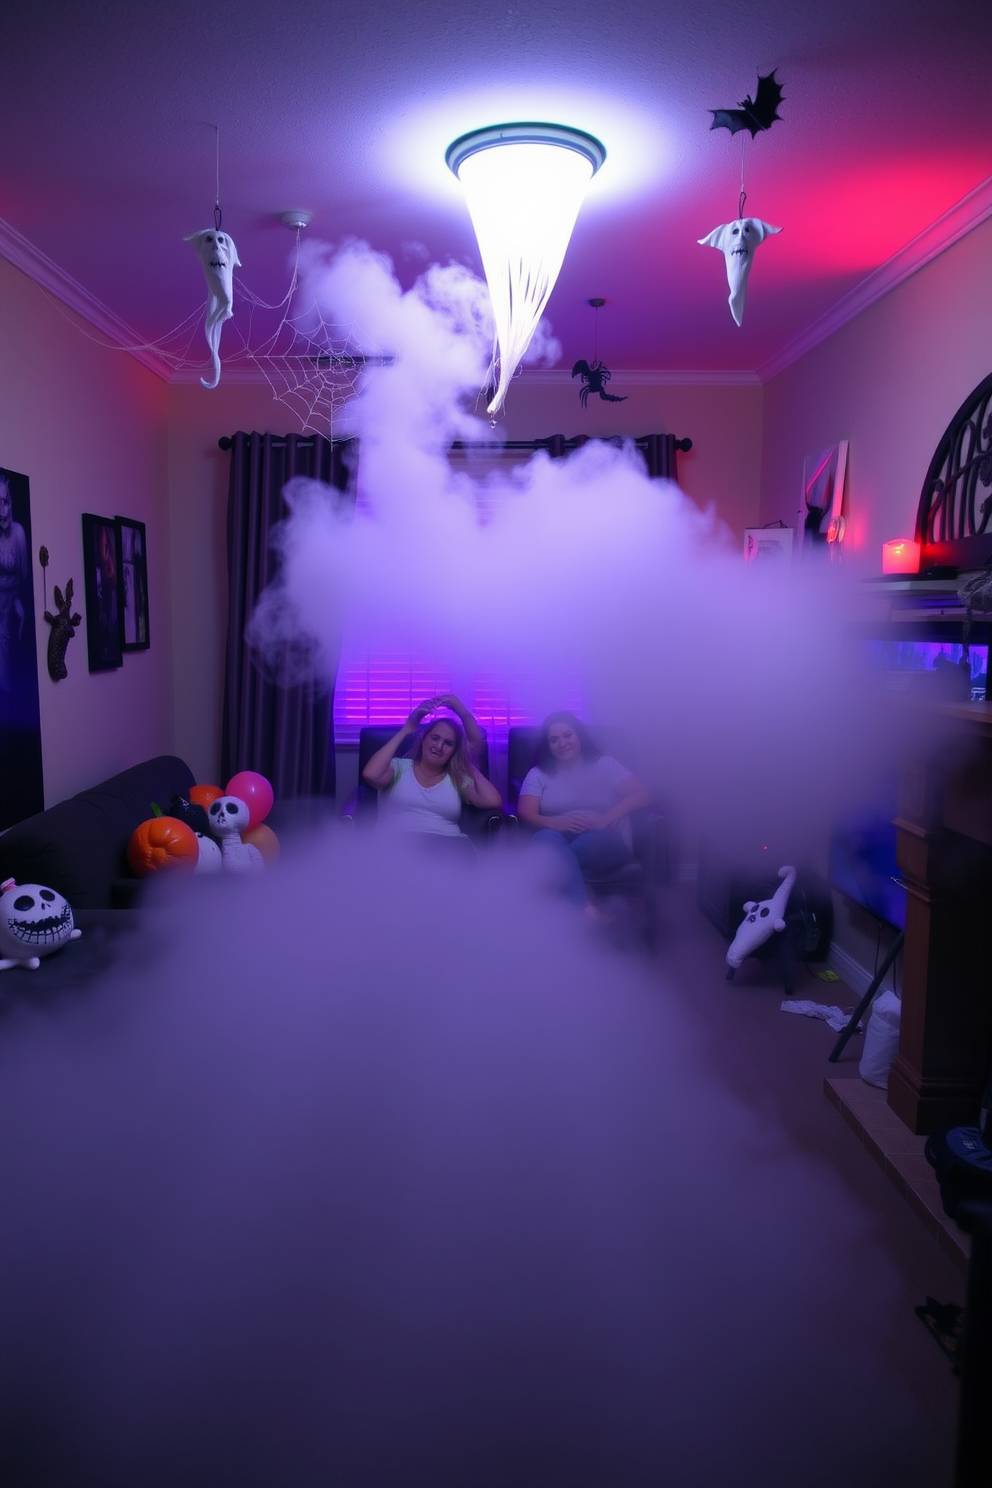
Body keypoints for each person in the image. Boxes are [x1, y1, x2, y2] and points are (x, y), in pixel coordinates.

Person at [517, 712, 652, 917]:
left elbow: (642, 794)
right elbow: (525, 812)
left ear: (579, 736)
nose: (562, 743)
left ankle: (545, 909)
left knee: (549, 863)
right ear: (548, 746)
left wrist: (607, 818)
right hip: (558, 835)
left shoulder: (604, 764)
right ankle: (586, 911)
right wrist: (556, 823)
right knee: (544, 838)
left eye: (567, 735)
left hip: (605, 836)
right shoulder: (539, 773)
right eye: (554, 740)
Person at [362, 694, 501, 841]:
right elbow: (370, 775)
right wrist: (406, 730)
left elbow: (492, 801)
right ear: (423, 739)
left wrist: (465, 761)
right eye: (434, 738)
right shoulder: (400, 767)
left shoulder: (456, 777)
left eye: (448, 743)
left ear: (454, 750)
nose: (439, 746)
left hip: (446, 845)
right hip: (397, 845)